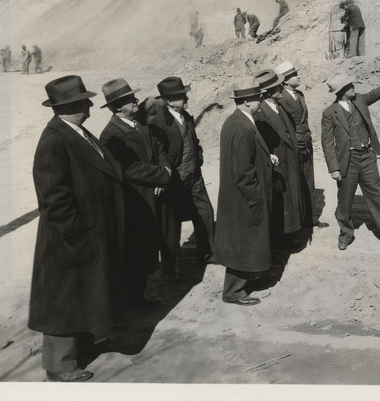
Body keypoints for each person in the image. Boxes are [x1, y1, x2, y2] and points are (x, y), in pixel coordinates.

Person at [29, 75, 125, 382]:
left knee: (84, 294)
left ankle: (84, 346)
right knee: (64, 303)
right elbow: (53, 197)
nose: (91, 104)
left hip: (88, 233)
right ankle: (59, 367)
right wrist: (77, 232)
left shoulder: (77, 132)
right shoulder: (54, 139)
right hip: (69, 240)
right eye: (85, 100)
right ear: (70, 106)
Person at [320, 72, 380, 252]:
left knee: (378, 198)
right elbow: (327, 143)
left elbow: (378, 92)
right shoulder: (329, 113)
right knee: (345, 201)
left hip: (367, 158)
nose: (354, 88)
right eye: (350, 86)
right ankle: (345, 235)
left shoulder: (360, 100)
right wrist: (333, 168)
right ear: (342, 90)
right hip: (347, 162)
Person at [98, 79, 174, 310]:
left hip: (153, 193)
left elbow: (160, 150)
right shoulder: (111, 135)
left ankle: (138, 298)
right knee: (135, 252)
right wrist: (161, 176)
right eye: (130, 100)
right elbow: (128, 169)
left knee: (149, 249)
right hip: (136, 200)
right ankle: (128, 302)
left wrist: (165, 170)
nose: (135, 101)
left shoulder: (139, 125)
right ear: (117, 106)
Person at [214, 78, 275, 306]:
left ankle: (244, 281)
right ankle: (233, 291)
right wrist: (256, 196)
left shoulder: (236, 121)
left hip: (239, 197)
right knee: (242, 242)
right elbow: (242, 170)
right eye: (258, 98)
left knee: (243, 241)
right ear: (248, 101)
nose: (261, 101)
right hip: (244, 198)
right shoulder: (242, 126)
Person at [147, 77, 215, 267]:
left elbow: (194, 142)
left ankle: (207, 253)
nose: (186, 99)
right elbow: (159, 153)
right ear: (168, 101)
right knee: (172, 224)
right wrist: (166, 175)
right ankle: (170, 267)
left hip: (195, 177)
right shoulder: (158, 123)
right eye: (181, 96)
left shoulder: (187, 117)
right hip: (175, 180)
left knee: (205, 212)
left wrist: (198, 158)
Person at [253, 69, 311, 242]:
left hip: (289, 160)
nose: (281, 88)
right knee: (281, 200)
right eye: (278, 87)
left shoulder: (279, 108)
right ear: (269, 93)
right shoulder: (261, 113)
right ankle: (281, 238)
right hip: (278, 162)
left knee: (291, 197)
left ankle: (291, 231)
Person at [274, 61, 328, 228]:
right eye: (294, 75)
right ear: (285, 81)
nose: (298, 76)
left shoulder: (301, 95)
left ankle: (311, 219)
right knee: (294, 183)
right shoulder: (280, 98)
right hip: (293, 145)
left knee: (309, 182)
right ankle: (297, 223)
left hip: (306, 143)